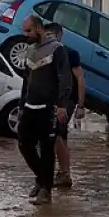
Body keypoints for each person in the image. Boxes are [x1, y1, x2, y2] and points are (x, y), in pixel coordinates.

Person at [17, 15, 72, 205]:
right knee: (24, 144)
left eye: (29, 31)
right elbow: (26, 81)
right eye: (24, 31)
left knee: (48, 148)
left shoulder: (57, 49)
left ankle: (46, 191)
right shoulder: (30, 51)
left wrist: (62, 105)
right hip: (30, 106)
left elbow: (64, 78)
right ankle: (42, 179)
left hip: (49, 107)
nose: (26, 35)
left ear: (39, 28)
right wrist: (21, 106)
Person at [44, 22, 86, 189]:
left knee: (57, 134)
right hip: (53, 99)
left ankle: (64, 174)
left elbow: (80, 79)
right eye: (46, 36)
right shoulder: (45, 53)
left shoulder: (70, 53)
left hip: (67, 100)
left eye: (51, 36)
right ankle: (63, 173)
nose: (48, 39)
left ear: (59, 36)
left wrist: (81, 105)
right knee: (60, 136)